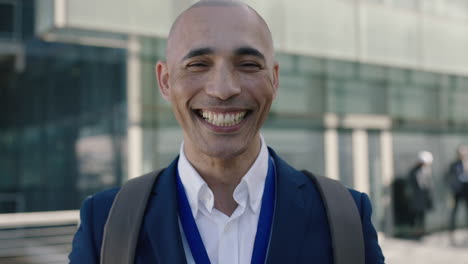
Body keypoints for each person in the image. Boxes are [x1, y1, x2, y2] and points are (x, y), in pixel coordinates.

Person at [69, 1, 385, 263]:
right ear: (165, 80)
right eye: (197, 65)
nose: (223, 89)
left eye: (248, 64)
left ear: (274, 80)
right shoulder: (106, 224)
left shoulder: (344, 219)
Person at [406, 151, 434, 238]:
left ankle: (421, 232)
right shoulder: (414, 171)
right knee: (415, 216)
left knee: (422, 216)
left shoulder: (427, 170)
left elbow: (429, 184)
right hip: (416, 198)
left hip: (424, 197)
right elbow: (413, 185)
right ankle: (415, 232)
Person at [448, 145, 468, 235]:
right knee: (454, 210)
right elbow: (450, 177)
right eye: (460, 153)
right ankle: (452, 229)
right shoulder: (453, 165)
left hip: (466, 189)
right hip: (457, 191)